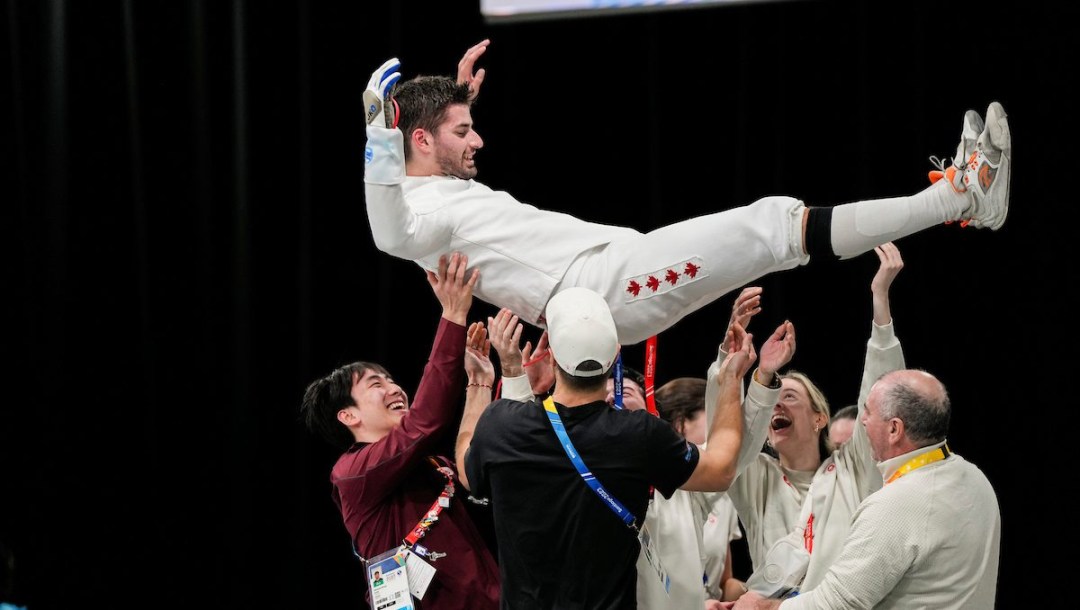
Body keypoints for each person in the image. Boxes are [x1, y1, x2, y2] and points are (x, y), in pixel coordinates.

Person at [362, 40, 1012, 346]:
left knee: (774, 228)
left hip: (611, 271)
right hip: (600, 293)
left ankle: (961, 196)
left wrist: (452, 97)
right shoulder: (414, 213)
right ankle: (962, 196)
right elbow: (390, 232)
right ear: (418, 141)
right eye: (463, 131)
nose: (477, 141)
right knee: (772, 225)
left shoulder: (435, 188)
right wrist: (380, 135)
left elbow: (432, 142)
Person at [457, 286, 796, 609]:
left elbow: (475, 462)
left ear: (553, 357)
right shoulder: (639, 437)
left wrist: (484, 382)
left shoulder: (505, 424)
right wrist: (731, 378)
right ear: (614, 358)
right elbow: (723, 464)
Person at [299, 252, 500, 610]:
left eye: (392, 379)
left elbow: (474, 461)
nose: (395, 388)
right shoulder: (351, 475)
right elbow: (425, 421)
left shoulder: (433, 464)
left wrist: (479, 385)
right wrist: (453, 316)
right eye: (376, 384)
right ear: (348, 416)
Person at [706, 242, 907, 597]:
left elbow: (881, 393)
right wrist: (737, 362)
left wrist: (880, 299)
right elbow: (723, 437)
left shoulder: (852, 469)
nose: (776, 406)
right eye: (771, 401)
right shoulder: (756, 478)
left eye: (790, 397)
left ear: (819, 419)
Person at [725, 370, 1001, 609]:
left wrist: (764, 607)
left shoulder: (894, 503)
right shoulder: (975, 478)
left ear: (894, 429)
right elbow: (729, 445)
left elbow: (841, 603)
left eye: (868, 412)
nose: (863, 420)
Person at [654, 376, 748, 605]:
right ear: (680, 423)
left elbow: (724, 582)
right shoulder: (653, 491)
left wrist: (754, 593)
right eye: (716, 420)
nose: (725, 433)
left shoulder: (723, 493)